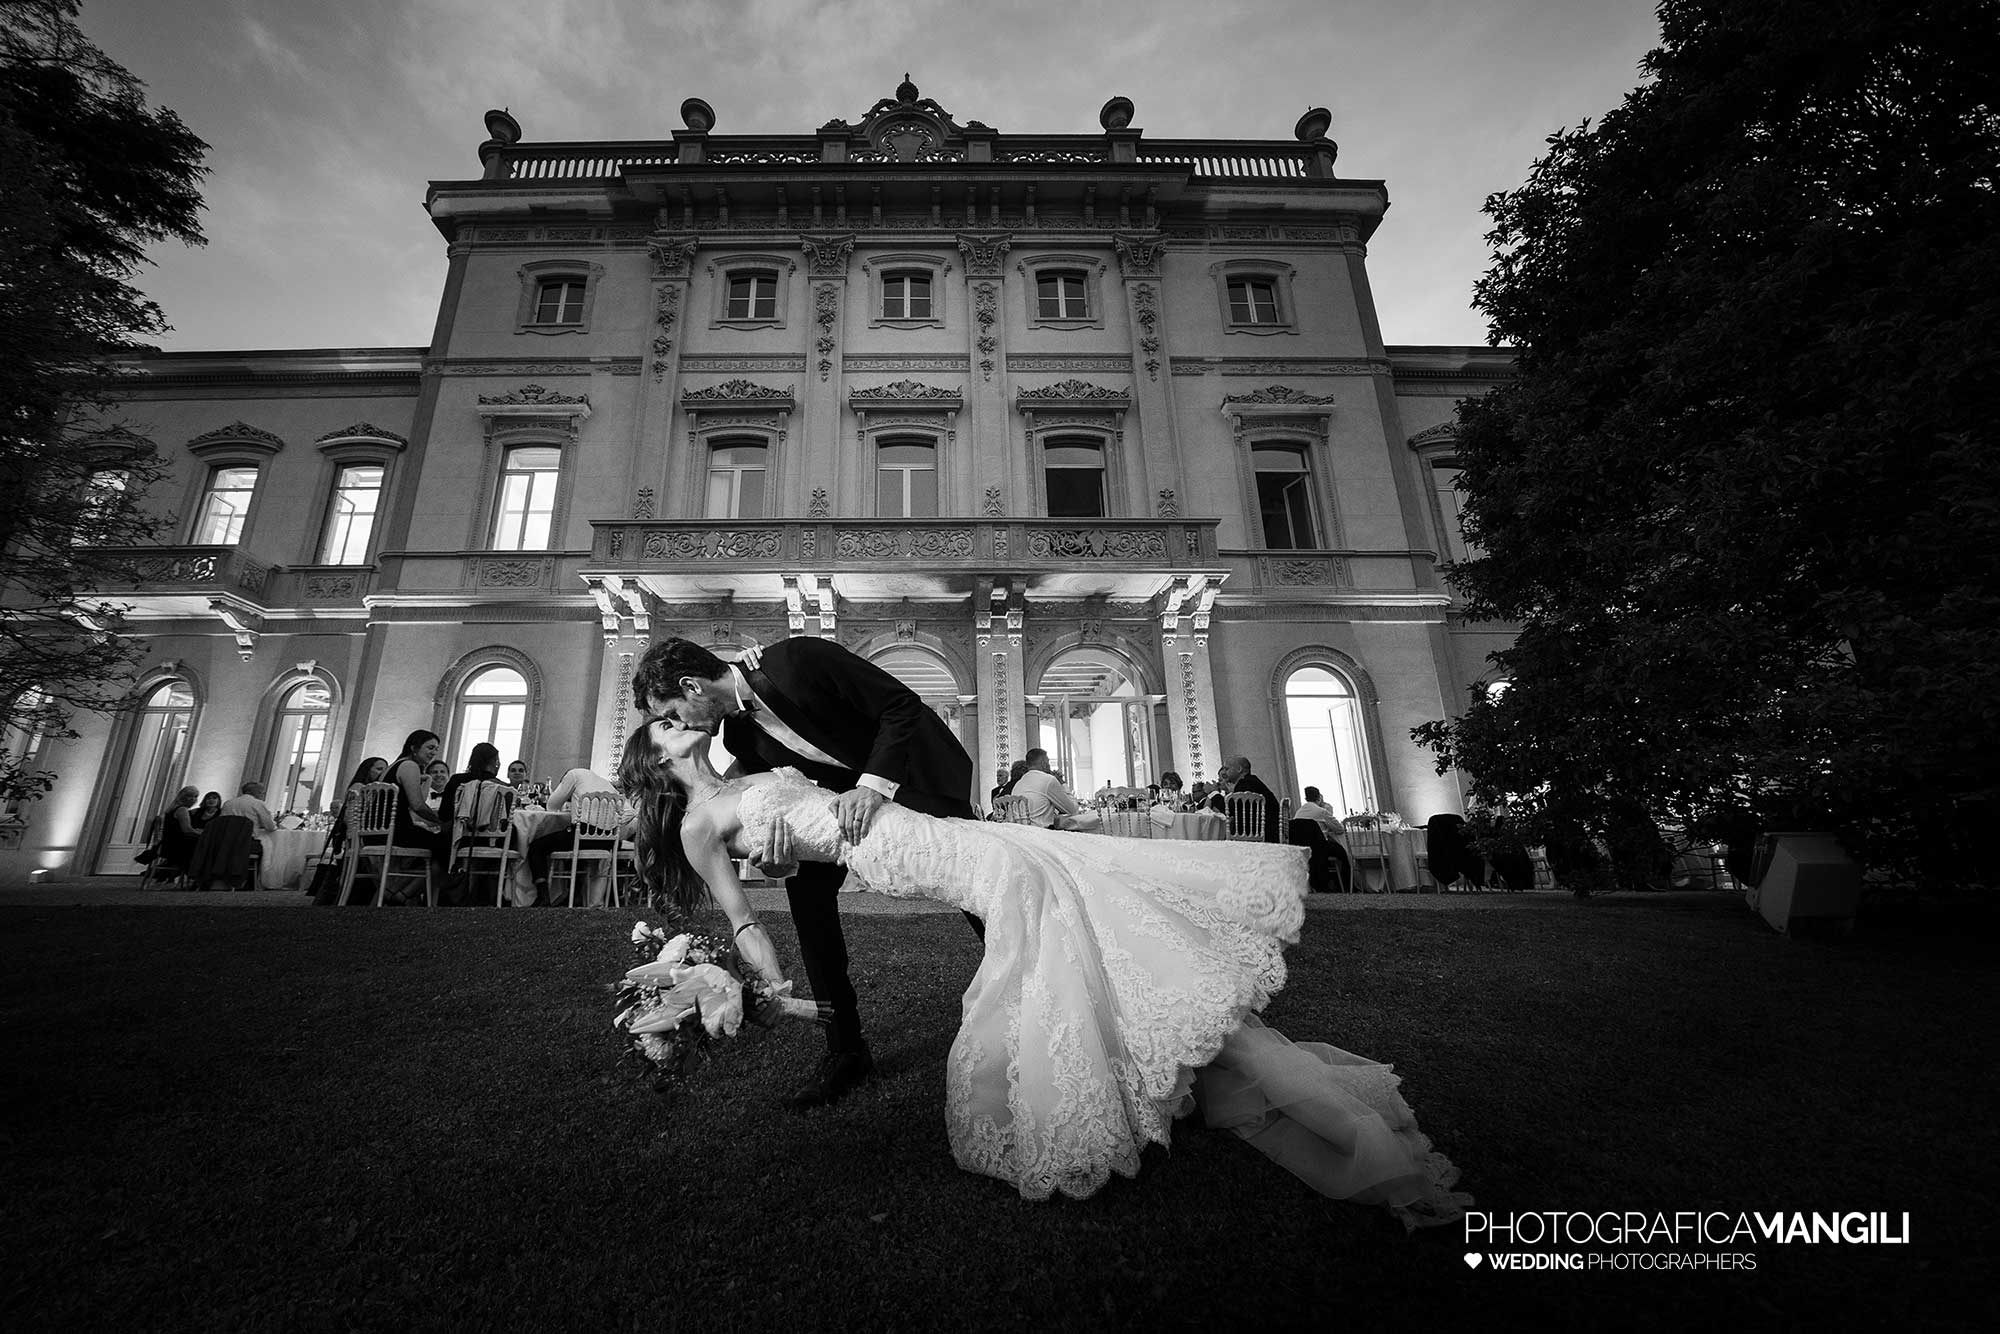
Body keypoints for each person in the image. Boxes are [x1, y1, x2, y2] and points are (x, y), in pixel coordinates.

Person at [619, 718, 1470, 1224]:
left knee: (1091, 929)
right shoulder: (697, 825)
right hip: (924, 860)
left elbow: (809, 814)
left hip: (946, 833)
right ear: (655, 759)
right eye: (662, 724)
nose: (675, 720)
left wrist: (786, 845)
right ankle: (1230, 1074)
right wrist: (772, 985)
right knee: (1078, 930)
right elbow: (743, 914)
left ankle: (1182, 1055)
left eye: (671, 714)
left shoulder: (749, 771)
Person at [632, 635, 979, 1110]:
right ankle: (846, 1049)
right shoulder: (738, 736)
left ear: (692, 686)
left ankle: (1025, 966)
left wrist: (873, 786)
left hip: (913, 773)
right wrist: (777, 860)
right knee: (810, 914)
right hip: (834, 818)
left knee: (975, 879)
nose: (682, 724)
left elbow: (901, 706)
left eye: (673, 712)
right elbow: (781, 799)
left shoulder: (799, 659)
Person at [526, 765, 621, 905]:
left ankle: (543, 896)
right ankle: (574, 895)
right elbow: (629, 811)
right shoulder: (606, 783)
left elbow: (552, 805)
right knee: (569, 845)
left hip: (582, 836)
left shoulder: (573, 774)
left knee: (537, 847)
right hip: (607, 841)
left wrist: (568, 798)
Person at [383, 731, 448, 881]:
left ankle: (399, 889)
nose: (434, 753)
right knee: (446, 843)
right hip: (396, 832)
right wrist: (441, 823)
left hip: (380, 831)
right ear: (414, 747)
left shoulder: (393, 766)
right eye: (430, 747)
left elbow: (418, 803)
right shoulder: (409, 765)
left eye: (436, 749)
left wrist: (428, 779)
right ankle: (407, 891)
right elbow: (418, 806)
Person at [1010, 748, 1096, 830]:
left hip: (1019, 832)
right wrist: (1062, 783)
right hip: (1042, 832)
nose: (1049, 766)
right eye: (1048, 762)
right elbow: (1073, 810)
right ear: (1044, 764)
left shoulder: (1019, 784)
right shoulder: (1048, 780)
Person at [1217, 756, 1282, 843]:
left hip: (1263, 834)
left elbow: (1229, 810)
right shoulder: (1251, 781)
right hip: (1268, 830)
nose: (1224, 773)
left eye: (1226, 769)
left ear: (1239, 769)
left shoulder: (1245, 784)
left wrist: (1213, 794)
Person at [154, 785, 201, 877]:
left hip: (167, 844)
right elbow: (187, 830)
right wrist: (201, 833)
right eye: (190, 796)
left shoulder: (171, 809)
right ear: (182, 797)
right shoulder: (182, 810)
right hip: (176, 846)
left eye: (195, 796)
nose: (193, 799)